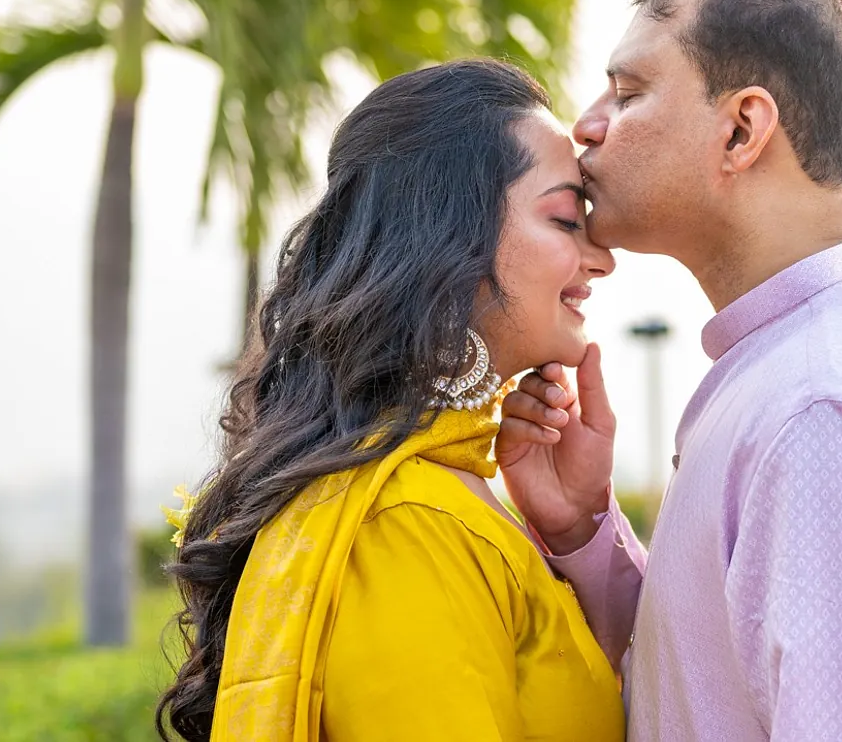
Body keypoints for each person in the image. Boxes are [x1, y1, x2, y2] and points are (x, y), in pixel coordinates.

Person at [496, 0, 842, 740]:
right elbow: (708, 689)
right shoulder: (806, 369)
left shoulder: (827, 406)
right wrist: (582, 528)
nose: (588, 125)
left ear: (742, 129)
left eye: (629, 93)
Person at [156, 59, 622, 742]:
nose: (602, 258)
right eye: (564, 220)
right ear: (449, 240)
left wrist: (578, 528)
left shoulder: (437, 494)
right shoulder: (408, 523)